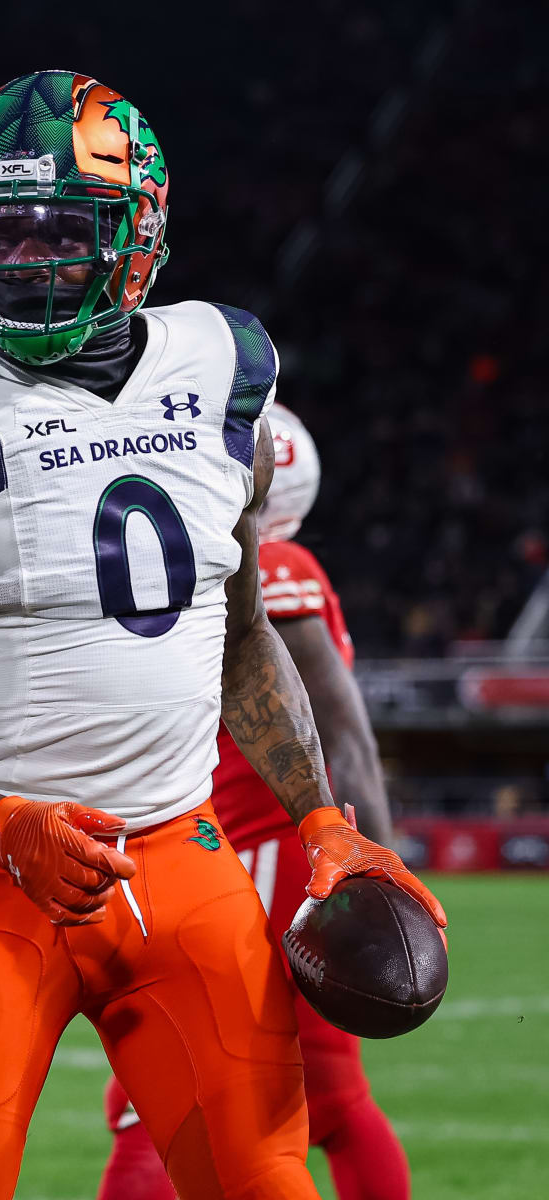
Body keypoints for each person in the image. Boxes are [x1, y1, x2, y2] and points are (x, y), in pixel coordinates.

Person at [0, 70, 445, 1200]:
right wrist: (0, 823)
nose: (27, 261)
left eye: (61, 230)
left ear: (138, 232)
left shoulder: (216, 373)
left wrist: (325, 823)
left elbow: (246, 637)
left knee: (266, 1182)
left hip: (183, 864)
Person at [97, 402, 412, 1200]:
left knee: (165, 1092)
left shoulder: (280, 566)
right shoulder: (249, 564)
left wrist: (372, 858)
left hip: (272, 852)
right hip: (244, 849)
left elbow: (346, 736)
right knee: (325, 1098)